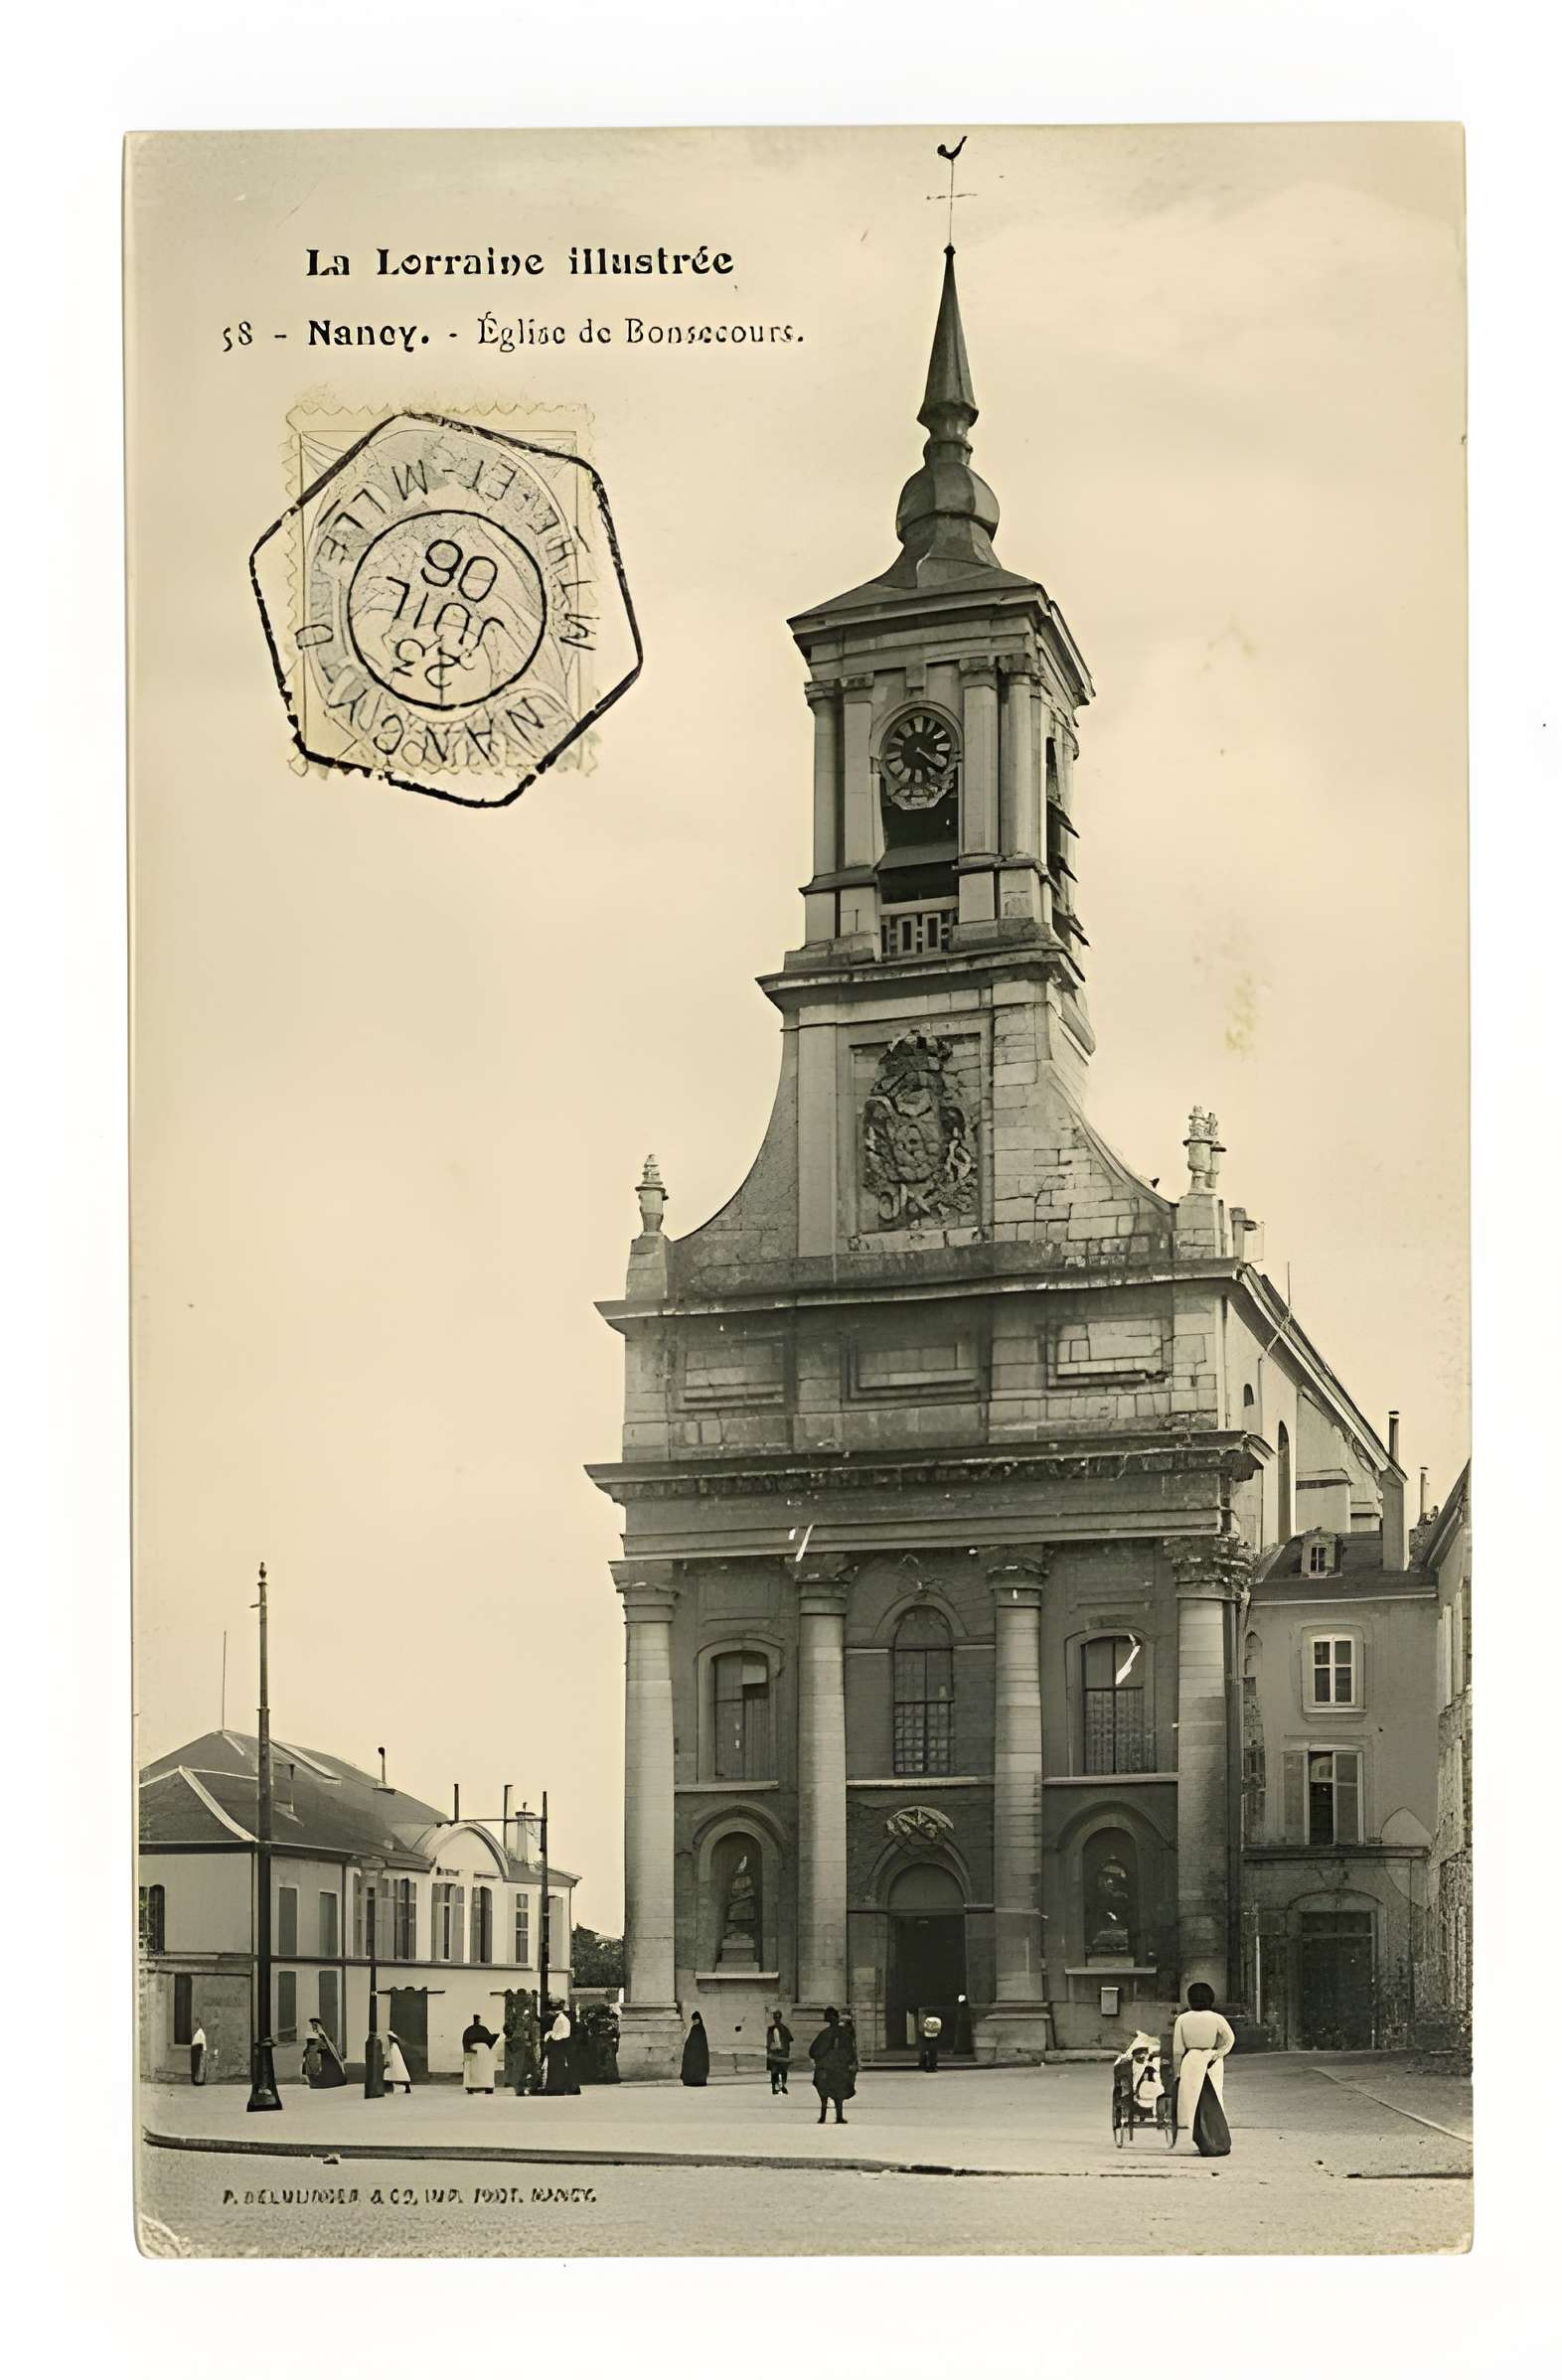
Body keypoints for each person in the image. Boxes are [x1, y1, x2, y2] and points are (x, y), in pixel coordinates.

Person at [1172, 1981, 1235, 2157]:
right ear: (1211, 1998)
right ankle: (1215, 2137)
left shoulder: (1182, 2019)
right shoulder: (1216, 2018)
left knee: (1192, 2100)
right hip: (1211, 2060)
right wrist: (1218, 2054)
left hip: (1191, 2059)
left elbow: (1177, 2050)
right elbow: (1230, 2040)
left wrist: (1177, 2073)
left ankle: (1201, 2138)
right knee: (1215, 2097)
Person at [808, 2007, 858, 2125]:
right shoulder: (843, 2032)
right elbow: (851, 2050)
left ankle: (823, 2116)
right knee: (838, 2092)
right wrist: (849, 2062)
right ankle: (838, 2117)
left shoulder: (825, 2033)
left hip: (827, 2066)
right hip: (839, 2066)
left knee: (824, 2091)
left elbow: (814, 2051)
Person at [304, 2015, 348, 2088]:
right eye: (312, 2024)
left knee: (327, 2068)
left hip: (323, 2055)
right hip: (313, 2054)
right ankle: (316, 2083)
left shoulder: (321, 2034)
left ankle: (328, 2082)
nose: (313, 2026)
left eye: (315, 2025)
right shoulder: (310, 2033)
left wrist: (320, 2046)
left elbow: (326, 2044)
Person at [462, 2012, 499, 2095]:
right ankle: (487, 2085)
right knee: (484, 2069)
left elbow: (465, 2041)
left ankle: (472, 2086)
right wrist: (495, 2037)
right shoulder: (483, 2029)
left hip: (475, 2050)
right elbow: (489, 2040)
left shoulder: (469, 2030)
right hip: (483, 2050)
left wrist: (468, 2050)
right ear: (478, 2020)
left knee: (474, 2069)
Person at [543, 2002, 573, 2095]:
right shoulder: (560, 2018)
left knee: (557, 2066)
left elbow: (563, 2034)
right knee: (555, 2066)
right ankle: (555, 2087)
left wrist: (552, 2036)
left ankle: (556, 2087)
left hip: (558, 2044)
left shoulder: (560, 2019)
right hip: (558, 2044)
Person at [765, 2008, 793, 2096]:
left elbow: (788, 2040)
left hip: (782, 2052)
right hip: (775, 2053)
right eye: (775, 2018)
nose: (776, 2019)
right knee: (775, 2071)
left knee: (783, 2071)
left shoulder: (784, 2029)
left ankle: (782, 2085)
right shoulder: (772, 2029)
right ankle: (775, 2087)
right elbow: (769, 2041)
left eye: (778, 2018)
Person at [681, 2009, 710, 2087]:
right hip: (694, 2054)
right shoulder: (696, 2028)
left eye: (695, 2020)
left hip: (697, 2055)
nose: (694, 2022)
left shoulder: (699, 2029)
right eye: (693, 2021)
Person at [384, 2029, 412, 2094]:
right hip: (393, 2064)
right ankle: (389, 2088)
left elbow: (393, 2056)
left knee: (392, 2075)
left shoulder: (393, 2046)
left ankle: (388, 2088)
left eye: (388, 2037)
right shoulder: (393, 2045)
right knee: (390, 2075)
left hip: (394, 2063)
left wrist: (388, 2061)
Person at [919, 2008, 943, 2073]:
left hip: (927, 2037)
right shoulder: (938, 2020)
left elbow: (923, 2028)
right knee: (933, 2054)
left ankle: (927, 2066)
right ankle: (933, 2067)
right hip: (935, 2037)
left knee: (927, 2052)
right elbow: (939, 2029)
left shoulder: (927, 2020)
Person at [189, 2022, 207, 2086]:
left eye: (196, 2024)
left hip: (200, 2051)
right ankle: (199, 2080)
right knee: (200, 2067)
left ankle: (199, 2081)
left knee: (199, 2067)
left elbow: (200, 2044)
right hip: (200, 2050)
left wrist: (200, 2052)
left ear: (199, 2025)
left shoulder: (199, 2033)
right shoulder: (199, 2033)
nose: (195, 2025)